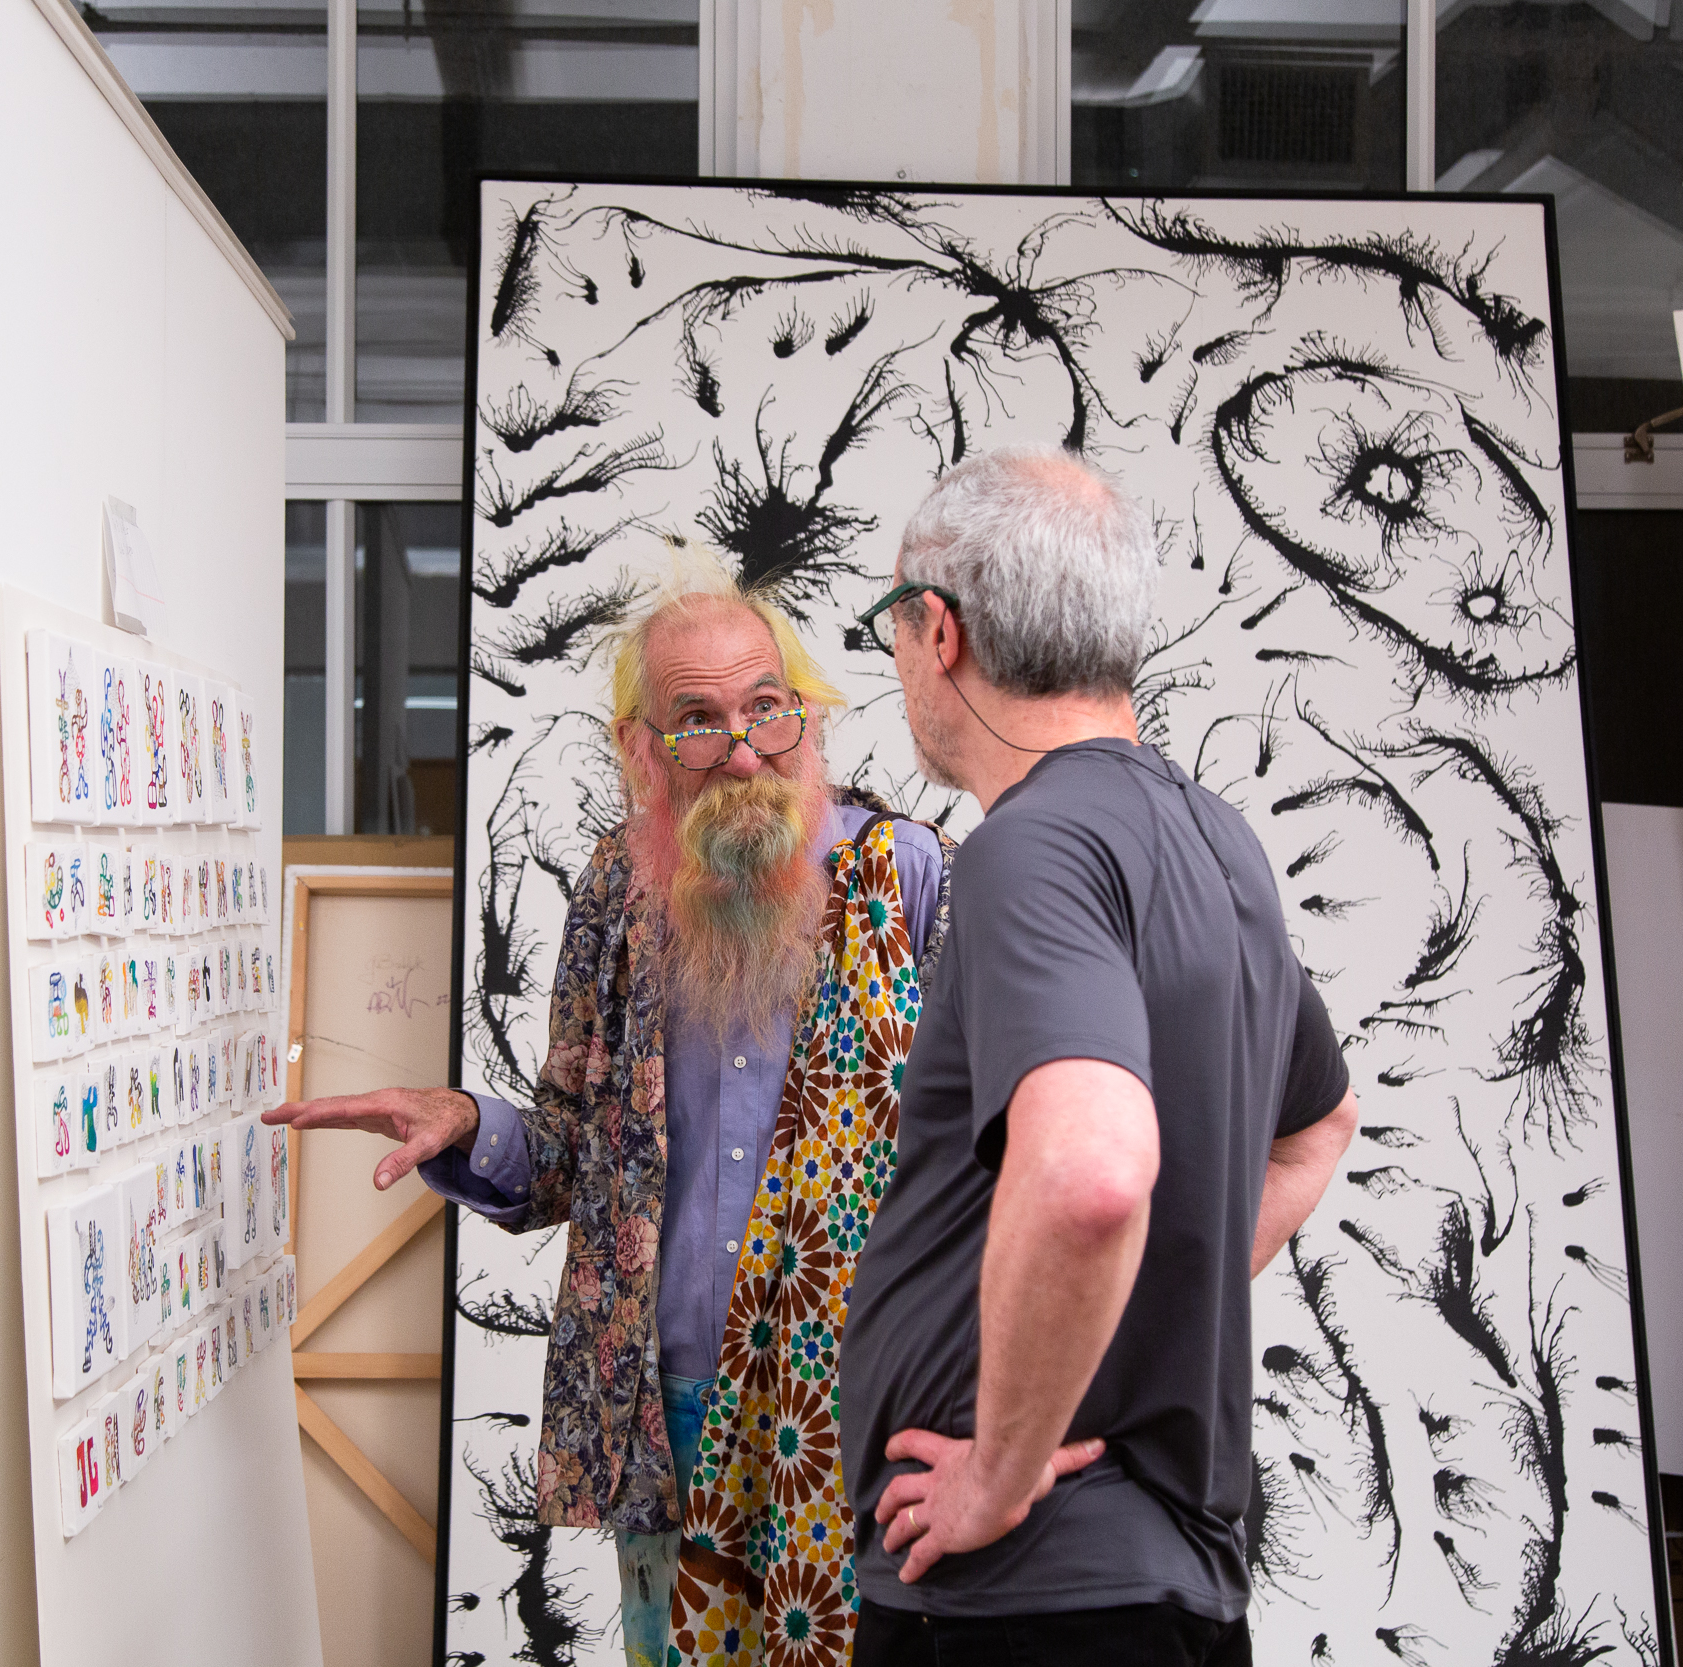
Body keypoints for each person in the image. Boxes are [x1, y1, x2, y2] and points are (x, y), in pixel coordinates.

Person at [265, 553, 956, 1667]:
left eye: (764, 709)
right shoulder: (614, 893)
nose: (740, 749)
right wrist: (464, 1120)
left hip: (856, 1406)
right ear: (642, 746)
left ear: (804, 713)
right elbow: (567, 1153)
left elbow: (984, 1161)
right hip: (666, 1404)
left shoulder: (907, 875)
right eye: (697, 719)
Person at [839, 448, 1360, 1667]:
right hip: (1147, 1602)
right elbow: (1316, 1122)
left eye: (894, 628)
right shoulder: (1214, 840)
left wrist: (998, 1475)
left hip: (1021, 1609)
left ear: (939, 630)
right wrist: (1143, 1307)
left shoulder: (1031, 847)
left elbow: (1089, 1173)